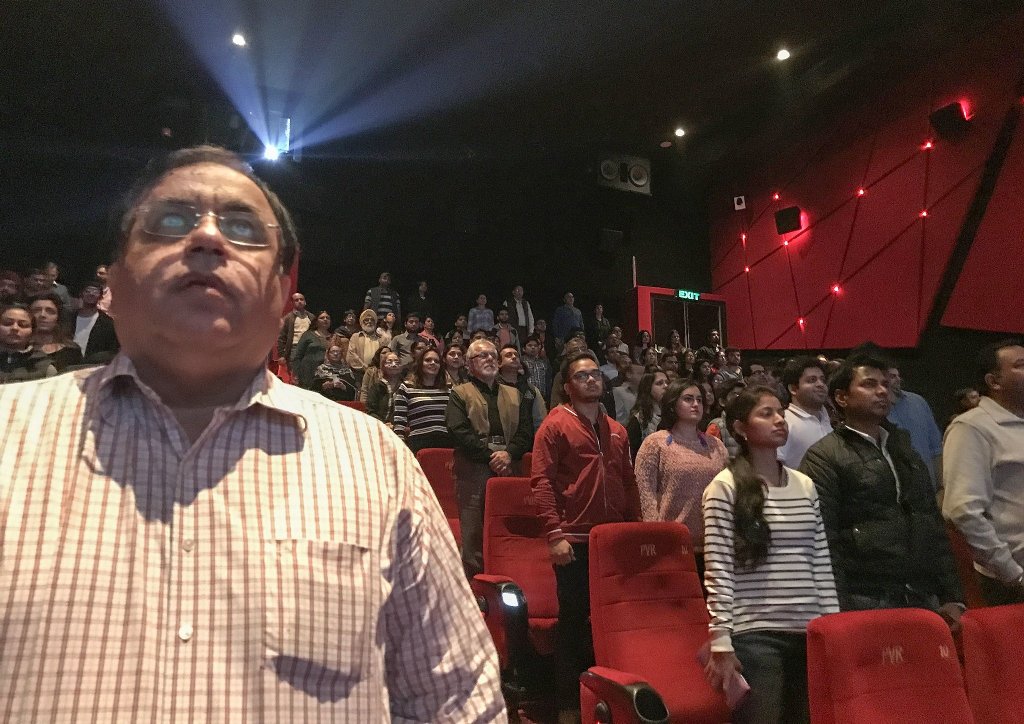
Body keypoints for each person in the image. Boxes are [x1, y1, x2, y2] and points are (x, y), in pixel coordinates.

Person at [0, 145, 503, 720]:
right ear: (113, 278)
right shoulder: (7, 436)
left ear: (284, 290)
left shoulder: (377, 463)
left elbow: (458, 703)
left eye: (243, 229)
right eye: (170, 221)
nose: (207, 237)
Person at [702, 385, 839, 724]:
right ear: (740, 428)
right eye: (766, 414)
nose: (779, 420)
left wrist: (834, 625)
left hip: (809, 629)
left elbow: (820, 561)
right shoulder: (725, 486)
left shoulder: (804, 484)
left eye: (780, 412)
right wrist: (721, 641)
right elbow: (719, 568)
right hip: (755, 634)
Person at [799, 355, 964, 620]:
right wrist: (836, 609)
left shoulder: (903, 448)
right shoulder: (824, 456)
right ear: (841, 397)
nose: (882, 391)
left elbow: (930, 522)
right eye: (869, 384)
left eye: (885, 384)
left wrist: (952, 596)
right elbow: (824, 539)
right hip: (865, 596)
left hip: (921, 592)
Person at [531, 350, 640, 724]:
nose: (592, 379)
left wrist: (634, 527)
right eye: (582, 375)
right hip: (574, 541)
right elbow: (541, 483)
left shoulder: (617, 429)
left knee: (611, 623)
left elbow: (628, 482)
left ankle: (611, 699)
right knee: (574, 623)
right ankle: (568, 706)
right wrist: (554, 534)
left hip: (612, 540)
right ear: (567, 386)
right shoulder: (555, 425)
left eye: (595, 374)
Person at [942, 339, 1024, 605]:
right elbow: (963, 511)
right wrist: (1013, 575)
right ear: (994, 381)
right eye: (1021, 365)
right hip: (1009, 584)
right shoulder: (972, 428)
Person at [446, 338, 533, 577]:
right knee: (473, 530)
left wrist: (509, 454)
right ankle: (475, 585)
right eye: (483, 355)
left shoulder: (515, 393)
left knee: (509, 526)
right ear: (469, 364)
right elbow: (458, 430)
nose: (490, 359)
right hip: (474, 467)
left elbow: (526, 431)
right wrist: (492, 458)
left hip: (509, 466)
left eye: (493, 355)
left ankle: (509, 578)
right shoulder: (459, 393)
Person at [635, 378, 728, 577]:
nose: (696, 404)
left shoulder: (716, 445)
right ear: (672, 404)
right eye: (688, 399)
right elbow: (646, 494)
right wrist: (655, 534)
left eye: (699, 400)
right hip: (672, 545)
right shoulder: (656, 443)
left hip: (713, 545)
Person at [886, 363, 943, 488]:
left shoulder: (918, 402)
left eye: (898, 376)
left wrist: (942, 487)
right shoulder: (875, 409)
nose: (898, 379)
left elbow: (936, 449)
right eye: (892, 376)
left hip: (929, 489)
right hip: (897, 491)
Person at [776, 356, 832, 469]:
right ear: (793, 389)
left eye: (823, 380)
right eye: (812, 380)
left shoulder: (826, 418)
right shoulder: (784, 422)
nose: (820, 384)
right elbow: (775, 467)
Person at [393, 347, 452, 453]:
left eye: (437, 361)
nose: (433, 363)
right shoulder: (406, 387)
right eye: (428, 360)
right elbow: (399, 423)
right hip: (419, 444)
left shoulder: (448, 390)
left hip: (446, 444)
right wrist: (401, 448)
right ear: (420, 364)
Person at [1, 303, 58, 383]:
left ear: (32, 332)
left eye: (23, 325)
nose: (15, 328)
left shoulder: (45, 368)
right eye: (7, 323)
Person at [497, 343, 546, 432]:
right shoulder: (494, 387)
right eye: (508, 355)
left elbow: (540, 421)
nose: (514, 357)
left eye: (516, 355)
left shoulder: (531, 390)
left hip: (527, 437)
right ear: (499, 363)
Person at [29, 293, 83, 372]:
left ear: (58, 317)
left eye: (50, 311)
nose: (42, 315)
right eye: (37, 310)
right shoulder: (21, 349)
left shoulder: (72, 351)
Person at [68, 280, 119, 363]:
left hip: (93, 365)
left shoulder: (107, 323)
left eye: (95, 292)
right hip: (68, 363)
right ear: (81, 294)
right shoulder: (69, 318)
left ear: (100, 297)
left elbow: (111, 351)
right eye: (87, 291)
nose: (91, 294)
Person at [625, 369, 669, 462]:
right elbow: (632, 454)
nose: (666, 386)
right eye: (659, 383)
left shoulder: (674, 414)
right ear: (648, 388)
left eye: (667, 382)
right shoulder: (638, 419)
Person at [705, 378, 747, 460]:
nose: (740, 399)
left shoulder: (750, 422)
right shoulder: (717, 426)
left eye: (743, 395)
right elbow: (709, 458)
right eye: (735, 395)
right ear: (722, 402)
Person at [290, 310, 331, 390]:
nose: (325, 319)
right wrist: (296, 374)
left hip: (325, 375)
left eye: (327, 318)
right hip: (307, 372)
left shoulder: (334, 337)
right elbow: (298, 356)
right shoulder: (308, 335)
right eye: (322, 318)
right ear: (316, 321)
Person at [276, 291, 311, 374]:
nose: (299, 301)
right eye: (296, 300)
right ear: (292, 303)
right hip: (295, 349)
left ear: (305, 302)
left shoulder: (311, 317)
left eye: (301, 299)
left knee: (309, 373)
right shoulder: (288, 318)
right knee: (295, 374)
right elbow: (281, 337)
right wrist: (281, 355)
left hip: (309, 348)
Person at [345, 308, 382, 386]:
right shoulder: (356, 337)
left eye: (372, 320)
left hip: (378, 375)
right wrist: (365, 367)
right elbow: (351, 355)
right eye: (366, 320)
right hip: (359, 375)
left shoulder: (381, 338)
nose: (369, 321)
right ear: (361, 322)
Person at [366, 349, 402, 424]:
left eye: (397, 362)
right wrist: (383, 424)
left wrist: (395, 424)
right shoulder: (376, 387)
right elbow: (370, 412)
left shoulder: (405, 387)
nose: (394, 365)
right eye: (389, 362)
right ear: (383, 366)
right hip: (380, 425)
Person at [521, 334, 552, 403]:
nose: (533, 347)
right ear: (524, 349)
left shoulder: (544, 363)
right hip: (525, 397)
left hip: (542, 397)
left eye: (535, 346)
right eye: (530, 345)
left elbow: (548, 380)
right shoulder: (521, 362)